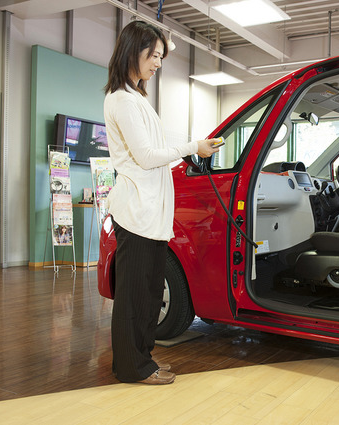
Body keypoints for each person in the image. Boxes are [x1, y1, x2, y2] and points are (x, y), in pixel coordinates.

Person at [103, 20, 220, 385]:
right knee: (134, 298)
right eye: (153, 55)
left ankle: (143, 360)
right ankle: (130, 368)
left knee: (150, 294)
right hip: (136, 213)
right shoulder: (121, 100)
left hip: (151, 215)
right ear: (132, 52)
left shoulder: (137, 99)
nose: (157, 63)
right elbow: (147, 155)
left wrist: (193, 146)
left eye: (160, 57)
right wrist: (192, 146)